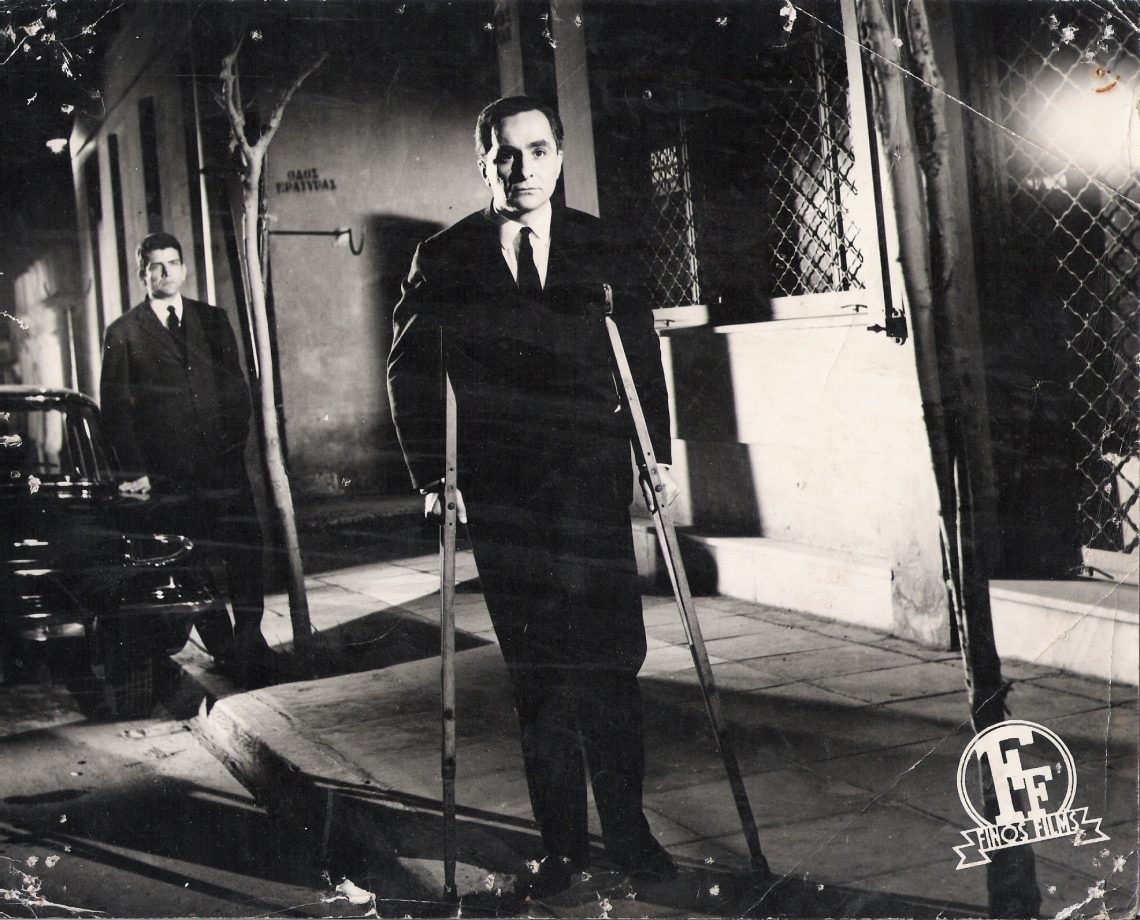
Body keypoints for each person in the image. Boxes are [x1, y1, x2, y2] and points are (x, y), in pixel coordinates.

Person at [387, 96, 680, 897]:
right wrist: (434, 475)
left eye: (539, 150)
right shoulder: (446, 256)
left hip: (590, 486)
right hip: (505, 493)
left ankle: (631, 835)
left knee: (611, 664)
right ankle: (564, 850)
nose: (523, 168)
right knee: (540, 671)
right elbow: (410, 370)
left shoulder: (601, 243)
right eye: (506, 154)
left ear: (560, 156)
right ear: (484, 161)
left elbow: (641, 358)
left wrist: (655, 454)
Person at [100, 232, 270, 678]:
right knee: (190, 561)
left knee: (245, 550)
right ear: (142, 273)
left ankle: (250, 638)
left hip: (223, 466)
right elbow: (115, 412)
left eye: (173, 262)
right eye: (155, 265)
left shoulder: (212, 320)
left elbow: (236, 387)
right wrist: (138, 472)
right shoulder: (123, 333)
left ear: (184, 268)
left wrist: (233, 445)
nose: (165, 272)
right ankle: (225, 646)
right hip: (169, 477)